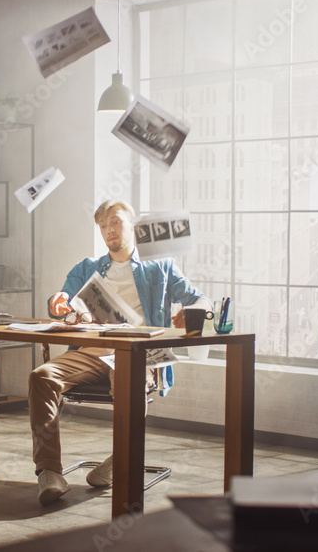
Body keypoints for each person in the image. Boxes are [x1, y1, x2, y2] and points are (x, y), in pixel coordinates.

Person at [30, 199, 212, 504]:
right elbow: (60, 301)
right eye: (103, 225)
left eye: (115, 222)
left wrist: (194, 311)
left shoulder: (160, 268)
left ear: (133, 226)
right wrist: (57, 302)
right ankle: (49, 471)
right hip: (92, 349)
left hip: (137, 352)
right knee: (41, 377)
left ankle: (122, 456)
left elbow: (200, 299)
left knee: (127, 377)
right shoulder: (87, 267)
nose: (108, 230)